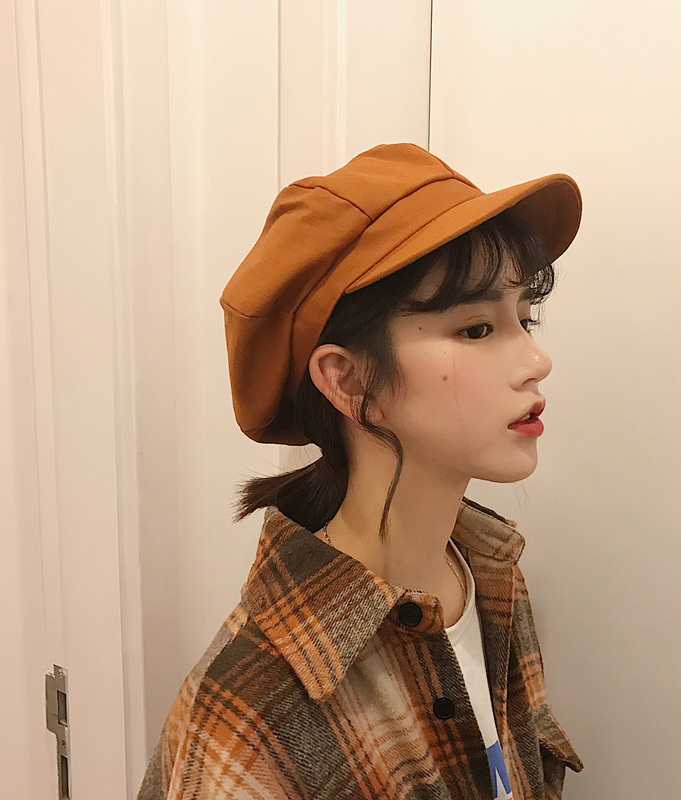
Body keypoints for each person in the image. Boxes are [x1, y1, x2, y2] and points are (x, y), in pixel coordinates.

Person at [138, 143, 584, 800]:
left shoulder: (490, 578)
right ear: (349, 381)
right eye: (476, 329)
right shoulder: (250, 720)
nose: (536, 361)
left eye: (524, 317)